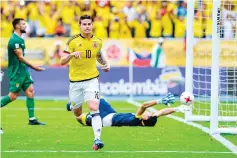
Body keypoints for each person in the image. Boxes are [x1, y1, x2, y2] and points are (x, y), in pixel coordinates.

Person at [61, 15, 110, 150]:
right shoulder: (72, 42)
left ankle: (97, 140)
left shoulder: (98, 41)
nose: (87, 26)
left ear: (92, 25)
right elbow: (61, 61)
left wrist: (105, 64)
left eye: (89, 24)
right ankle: (71, 105)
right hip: (75, 82)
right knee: (77, 113)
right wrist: (71, 55)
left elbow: (98, 55)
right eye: (84, 24)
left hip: (92, 80)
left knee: (94, 108)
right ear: (79, 25)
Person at [1, 18, 45, 125]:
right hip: (17, 72)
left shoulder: (20, 39)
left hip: (23, 70)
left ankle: (32, 119)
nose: (26, 26)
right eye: (23, 24)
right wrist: (34, 67)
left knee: (30, 91)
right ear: (17, 26)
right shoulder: (15, 40)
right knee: (12, 96)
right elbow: (20, 57)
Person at [67, 93, 185, 127]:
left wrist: (159, 101)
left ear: (144, 118)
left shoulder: (136, 119)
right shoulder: (147, 120)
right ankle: (76, 103)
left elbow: (144, 105)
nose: (150, 113)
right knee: (97, 95)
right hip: (112, 113)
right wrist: (177, 108)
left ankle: (73, 106)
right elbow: (161, 112)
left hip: (104, 120)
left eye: (148, 114)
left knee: (79, 117)